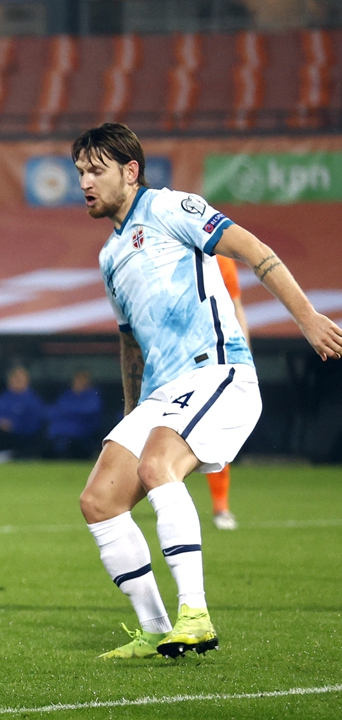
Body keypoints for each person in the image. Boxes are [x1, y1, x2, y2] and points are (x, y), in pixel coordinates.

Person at [72, 123, 342, 660]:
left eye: (96, 170)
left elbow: (254, 250)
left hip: (217, 372)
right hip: (162, 394)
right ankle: (155, 628)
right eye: (79, 171)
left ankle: (195, 616)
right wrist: (131, 413)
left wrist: (308, 317)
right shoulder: (110, 256)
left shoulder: (172, 207)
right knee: (99, 501)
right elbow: (130, 343)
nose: (85, 182)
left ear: (131, 171)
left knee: (157, 466)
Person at [205, 256, 248, 530]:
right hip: (174, 355)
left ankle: (221, 505)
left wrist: (245, 356)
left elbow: (235, 306)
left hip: (215, 356)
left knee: (215, 432)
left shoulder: (221, 259)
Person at [0, 366, 47, 461]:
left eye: (20, 379)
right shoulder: (0, 399)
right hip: (0, 434)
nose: (17, 381)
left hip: (21, 436)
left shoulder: (33, 401)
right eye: (15, 378)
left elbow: (35, 423)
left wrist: (14, 426)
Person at [47, 370, 103, 459]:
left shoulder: (92, 395)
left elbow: (91, 411)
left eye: (82, 380)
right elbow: (56, 409)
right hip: (62, 429)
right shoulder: (67, 395)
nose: (79, 383)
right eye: (77, 380)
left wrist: (69, 412)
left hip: (83, 429)